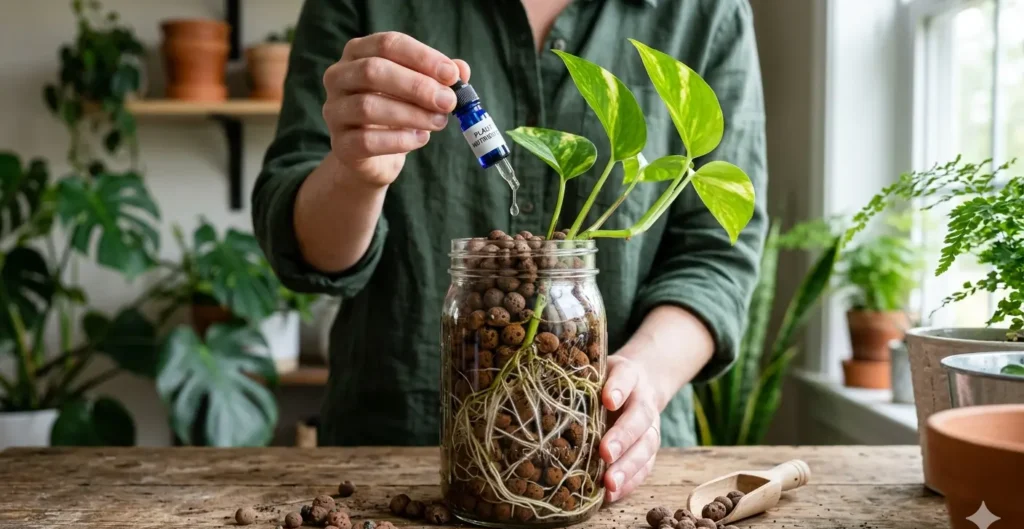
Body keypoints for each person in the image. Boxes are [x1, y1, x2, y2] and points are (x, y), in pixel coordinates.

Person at [252, 0, 767, 503]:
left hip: (605, 459)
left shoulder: (709, 10)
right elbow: (298, 244)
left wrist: (645, 376)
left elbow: (718, 255)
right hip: (384, 468)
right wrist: (354, 172)